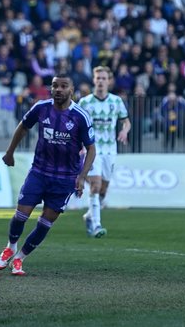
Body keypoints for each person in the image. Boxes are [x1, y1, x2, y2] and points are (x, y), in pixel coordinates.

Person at [0, 74, 96, 276]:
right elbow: (23, 127)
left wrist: (82, 176)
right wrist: (10, 152)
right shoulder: (41, 108)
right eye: (55, 85)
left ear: (71, 90)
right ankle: (10, 247)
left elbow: (91, 149)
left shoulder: (80, 116)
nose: (58, 89)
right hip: (39, 172)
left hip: (65, 178)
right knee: (21, 214)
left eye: (63, 86)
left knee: (46, 221)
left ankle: (20, 259)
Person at [78, 66, 131, 238]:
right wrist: (79, 145)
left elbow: (126, 122)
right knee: (96, 184)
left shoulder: (116, 101)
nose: (100, 81)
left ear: (109, 81)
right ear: (94, 80)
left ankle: (89, 215)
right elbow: (78, 127)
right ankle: (96, 225)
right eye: (98, 78)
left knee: (103, 189)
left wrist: (124, 131)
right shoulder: (85, 102)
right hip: (92, 149)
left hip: (110, 150)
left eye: (103, 78)